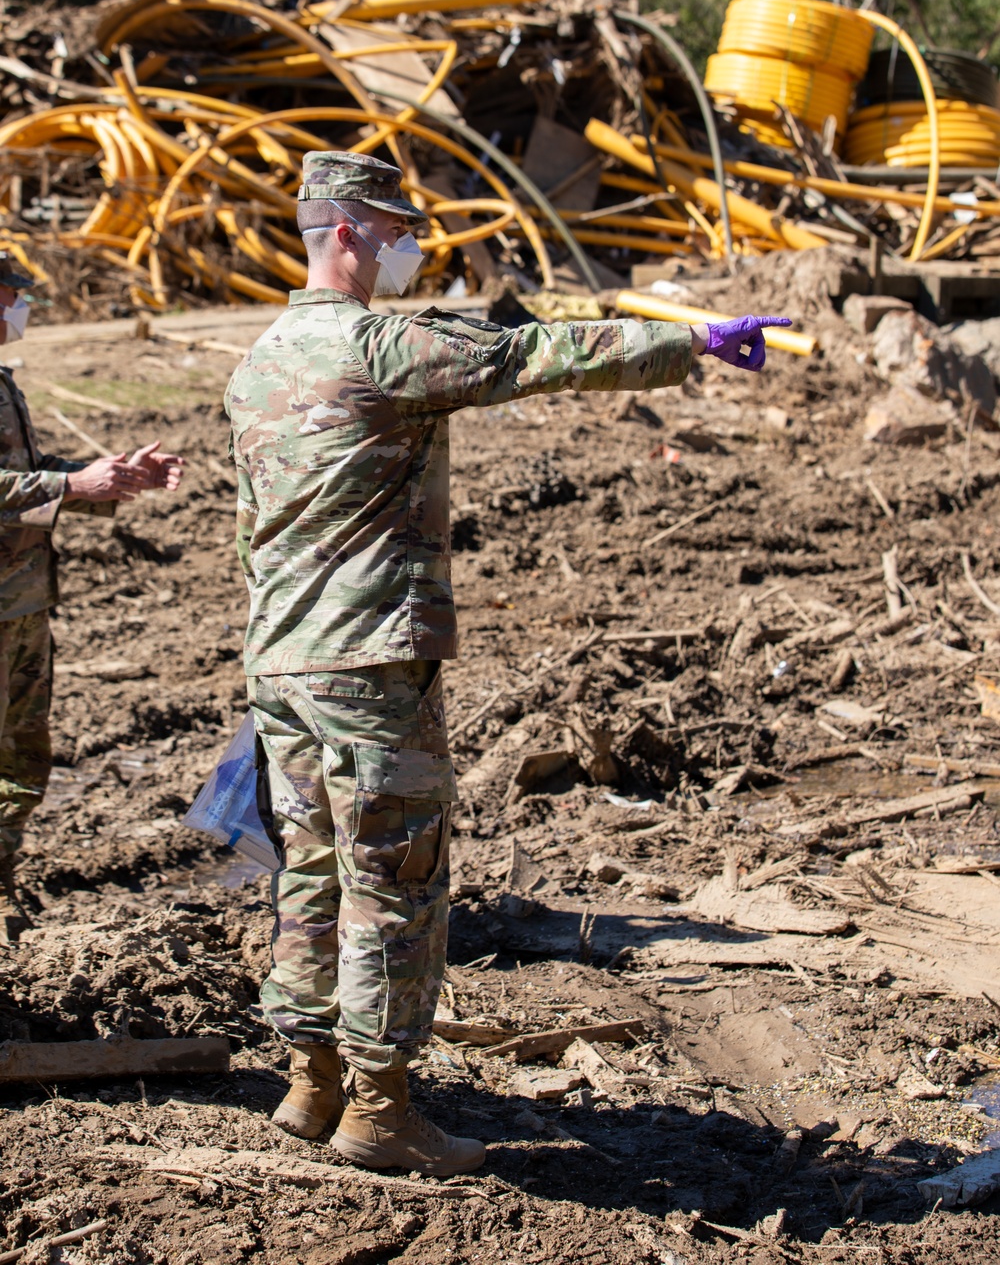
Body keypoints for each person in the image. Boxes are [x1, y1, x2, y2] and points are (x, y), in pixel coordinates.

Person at [225, 151, 790, 1177]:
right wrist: (691, 339)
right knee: (396, 881)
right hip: (368, 666)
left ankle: (308, 1084)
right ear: (345, 231)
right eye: (396, 231)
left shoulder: (257, 359)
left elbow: (253, 527)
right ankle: (380, 1111)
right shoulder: (381, 345)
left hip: (283, 665)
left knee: (307, 874)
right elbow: (538, 353)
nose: (409, 249)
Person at [0, 256, 185, 940]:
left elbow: (19, 476)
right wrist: (72, 489)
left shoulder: (2, 380)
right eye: (10, 292)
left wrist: (105, 477)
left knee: (21, 764)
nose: (21, 302)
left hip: (20, 606)